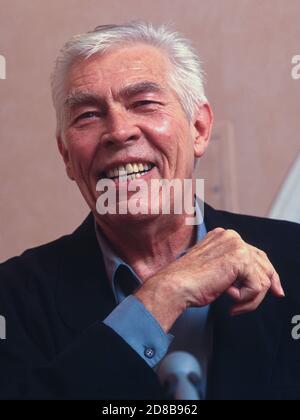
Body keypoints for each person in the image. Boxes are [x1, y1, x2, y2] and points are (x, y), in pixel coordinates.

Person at [0, 22, 299, 401]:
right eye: (88, 115)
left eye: (144, 103)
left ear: (199, 128)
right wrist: (164, 294)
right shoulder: (11, 300)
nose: (119, 131)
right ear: (67, 157)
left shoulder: (295, 257)